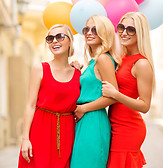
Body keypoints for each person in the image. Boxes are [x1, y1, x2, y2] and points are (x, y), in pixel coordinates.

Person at [18, 24, 81, 168]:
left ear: (70, 41)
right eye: (50, 38)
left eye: (60, 36)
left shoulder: (78, 74)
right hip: (40, 131)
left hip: (67, 132)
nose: (54, 41)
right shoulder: (40, 69)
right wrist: (25, 139)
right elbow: (30, 105)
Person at [102, 12, 155, 168]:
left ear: (140, 32)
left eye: (130, 29)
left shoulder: (142, 64)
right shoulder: (121, 58)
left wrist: (116, 95)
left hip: (128, 128)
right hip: (113, 124)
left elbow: (145, 106)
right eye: (121, 27)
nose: (124, 33)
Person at [70, 15, 120, 168]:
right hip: (85, 120)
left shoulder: (103, 59)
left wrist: (83, 108)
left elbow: (113, 96)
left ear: (104, 33)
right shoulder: (93, 61)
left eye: (95, 29)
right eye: (86, 29)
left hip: (93, 120)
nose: (89, 33)